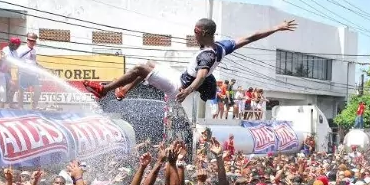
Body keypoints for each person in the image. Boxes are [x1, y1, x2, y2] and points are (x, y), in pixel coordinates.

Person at [83, 19, 297, 103]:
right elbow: (251, 37)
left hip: (178, 86)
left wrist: (187, 91)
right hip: (180, 77)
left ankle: (105, 90)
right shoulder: (222, 46)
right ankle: (124, 90)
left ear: (202, 32)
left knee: (140, 68)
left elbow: (202, 76)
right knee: (150, 63)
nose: (193, 35)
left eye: (195, 32)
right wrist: (276, 28)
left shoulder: (207, 55)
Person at [16, 33, 40, 110]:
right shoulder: (21, 49)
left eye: (33, 41)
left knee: (38, 90)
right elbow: (16, 60)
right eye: (30, 40)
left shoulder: (34, 51)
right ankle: (20, 107)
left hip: (33, 74)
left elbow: (34, 62)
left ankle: (34, 108)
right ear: (27, 40)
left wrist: (43, 68)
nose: (32, 42)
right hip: (23, 73)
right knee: (21, 91)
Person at [0, 37, 21, 108]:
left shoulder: (15, 52)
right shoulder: (5, 49)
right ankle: (2, 106)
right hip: (3, 72)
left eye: (18, 45)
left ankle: (10, 104)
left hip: (12, 72)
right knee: (3, 90)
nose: (16, 47)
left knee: (14, 86)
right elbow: (4, 61)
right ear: (11, 44)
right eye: (16, 45)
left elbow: (16, 64)